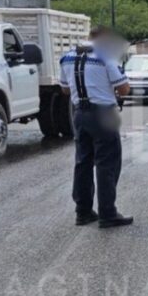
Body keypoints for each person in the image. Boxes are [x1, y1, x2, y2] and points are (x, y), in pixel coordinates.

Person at [58, 26, 133, 228]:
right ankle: (108, 213)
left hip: (79, 114)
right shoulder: (105, 57)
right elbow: (124, 88)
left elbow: (65, 89)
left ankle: (82, 212)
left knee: (82, 162)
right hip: (103, 114)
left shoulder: (67, 57)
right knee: (106, 163)